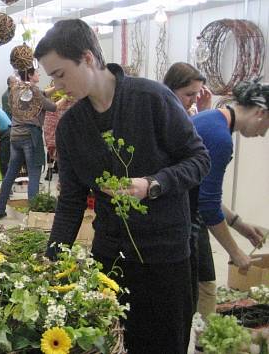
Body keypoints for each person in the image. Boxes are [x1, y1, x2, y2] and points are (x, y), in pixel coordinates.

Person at [35, 19, 210, 353]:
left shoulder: (151, 99)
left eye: (59, 74)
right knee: (112, 343)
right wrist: (52, 260)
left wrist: (152, 184)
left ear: (87, 58)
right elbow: (71, 202)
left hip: (164, 258)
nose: (56, 86)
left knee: (163, 344)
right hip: (111, 260)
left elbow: (199, 160)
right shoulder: (71, 127)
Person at [164, 67, 267, 320]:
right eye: (267, 125)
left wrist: (238, 224)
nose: (263, 133)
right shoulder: (220, 138)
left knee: (197, 294)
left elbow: (202, 190)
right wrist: (236, 253)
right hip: (179, 224)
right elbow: (207, 206)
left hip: (176, 217)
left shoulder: (210, 119)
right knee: (190, 303)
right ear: (261, 113)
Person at [0, 68, 58, 219]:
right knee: (34, 175)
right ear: (30, 75)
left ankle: (0, 209)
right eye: (36, 72)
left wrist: (57, 88)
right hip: (30, 136)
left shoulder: (16, 89)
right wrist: (66, 98)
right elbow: (52, 106)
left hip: (15, 136)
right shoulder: (33, 91)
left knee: (10, 174)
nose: (39, 74)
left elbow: (41, 94)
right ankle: (33, 215)